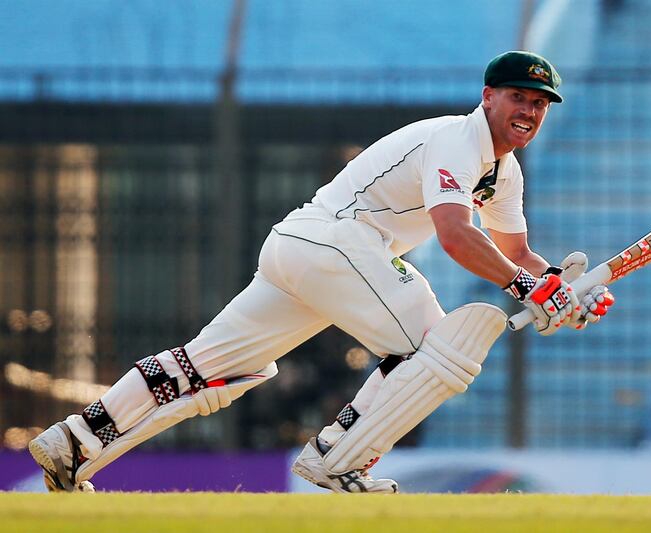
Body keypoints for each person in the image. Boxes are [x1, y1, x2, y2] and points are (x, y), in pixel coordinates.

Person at [28, 51, 615, 494]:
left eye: (539, 104)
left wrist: (565, 290)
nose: (530, 112)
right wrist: (528, 286)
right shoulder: (457, 140)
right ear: (488, 96)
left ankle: (73, 440)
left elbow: (516, 249)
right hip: (337, 244)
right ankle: (339, 456)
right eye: (520, 98)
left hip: (301, 248)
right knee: (441, 350)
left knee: (208, 365)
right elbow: (459, 236)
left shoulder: (504, 172)